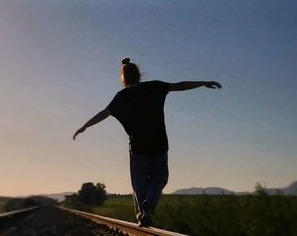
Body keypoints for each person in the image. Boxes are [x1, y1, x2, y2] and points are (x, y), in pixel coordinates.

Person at [73, 58, 221, 227]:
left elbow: (104, 113)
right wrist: (203, 83)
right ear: (139, 75)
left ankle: (142, 214)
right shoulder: (155, 87)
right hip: (159, 146)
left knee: (139, 185)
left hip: (138, 149)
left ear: (123, 79)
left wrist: (85, 126)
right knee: (159, 180)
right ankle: (148, 206)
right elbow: (180, 85)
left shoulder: (122, 96)